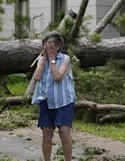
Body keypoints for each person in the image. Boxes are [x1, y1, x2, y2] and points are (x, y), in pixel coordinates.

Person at [31, 32, 76, 161]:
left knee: (64, 133)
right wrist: (43, 60)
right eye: (45, 45)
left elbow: (57, 77)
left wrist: (52, 60)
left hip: (64, 101)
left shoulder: (65, 59)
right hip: (46, 100)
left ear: (57, 46)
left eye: (50, 45)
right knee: (46, 134)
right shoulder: (41, 60)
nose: (47, 48)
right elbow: (37, 77)